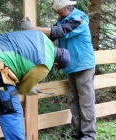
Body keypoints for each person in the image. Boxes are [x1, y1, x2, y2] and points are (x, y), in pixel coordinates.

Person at [0, 30, 70, 140]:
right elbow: (22, 88)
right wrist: (29, 89)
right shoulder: (45, 65)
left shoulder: (42, 36)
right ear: (56, 64)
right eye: (56, 68)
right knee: (12, 111)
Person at [21, 0, 96, 140]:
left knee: (86, 102)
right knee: (73, 101)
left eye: (60, 12)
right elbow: (52, 34)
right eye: (57, 13)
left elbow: (60, 32)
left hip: (84, 66)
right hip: (71, 66)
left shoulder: (78, 20)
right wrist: (32, 35)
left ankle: (89, 135)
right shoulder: (63, 19)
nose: (58, 15)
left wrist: (33, 28)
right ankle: (76, 133)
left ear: (69, 7)